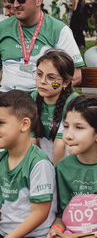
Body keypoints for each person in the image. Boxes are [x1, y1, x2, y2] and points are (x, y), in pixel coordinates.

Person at [48, 95, 97, 237]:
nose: (68, 135)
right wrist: (57, 228)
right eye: (66, 126)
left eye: (79, 127)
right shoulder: (62, 167)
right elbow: (62, 214)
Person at [0, 0, 84, 91]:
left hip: (42, 98)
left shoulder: (58, 29)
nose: (15, 5)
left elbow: (75, 76)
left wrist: (47, 93)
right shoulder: (2, 28)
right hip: (6, 97)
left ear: (38, 0)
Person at [0, 90, 55, 238]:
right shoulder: (2, 157)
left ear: (24, 124)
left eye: (1, 123)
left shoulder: (39, 163)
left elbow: (39, 214)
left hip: (32, 235)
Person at [30, 50, 78, 164]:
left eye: (51, 77)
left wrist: (54, 172)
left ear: (66, 82)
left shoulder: (72, 102)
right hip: (44, 149)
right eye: (39, 74)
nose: (42, 81)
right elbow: (31, 137)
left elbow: (60, 143)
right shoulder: (34, 97)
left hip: (67, 153)